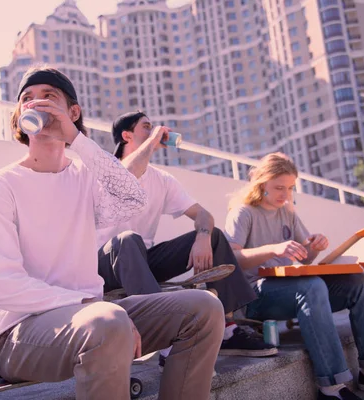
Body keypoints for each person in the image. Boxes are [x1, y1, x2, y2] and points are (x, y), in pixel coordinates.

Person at [0, 66, 225, 400]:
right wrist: (91, 305)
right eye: (26, 99)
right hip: (17, 335)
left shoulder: (85, 177)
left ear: (73, 112)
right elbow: (7, 288)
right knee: (108, 322)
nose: (36, 104)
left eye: (49, 96)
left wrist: (77, 138)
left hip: (95, 318)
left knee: (204, 308)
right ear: (20, 114)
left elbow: (132, 197)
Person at [224, 152, 364, 400]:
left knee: (360, 283)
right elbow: (231, 259)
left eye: (290, 188)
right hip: (255, 296)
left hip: (291, 287)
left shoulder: (288, 213)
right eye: (278, 188)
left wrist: (315, 246)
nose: (285, 195)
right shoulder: (243, 213)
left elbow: (305, 259)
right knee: (312, 286)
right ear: (261, 183)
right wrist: (272, 249)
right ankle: (331, 388)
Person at [97, 111, 277, 371]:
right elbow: (125, 179)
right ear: (127, 136)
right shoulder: (107, 170)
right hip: (103, 264)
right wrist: (154, 138)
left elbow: (203, 214)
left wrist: (203, 236)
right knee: (128, 240)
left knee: (214, 235)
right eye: (146, 127)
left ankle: (228, 329)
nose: (156, 130)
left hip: (142, 259)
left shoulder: (162, 179)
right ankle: (168, 339)